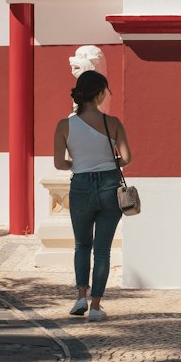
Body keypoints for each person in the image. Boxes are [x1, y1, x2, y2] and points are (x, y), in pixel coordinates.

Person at [53, 70, 132, 322]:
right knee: (103, 250)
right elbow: (127, 159)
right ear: (99, 94)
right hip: (110, 186)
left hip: (81, 187)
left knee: (81, 245)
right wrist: (108, 161)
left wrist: (79, 164)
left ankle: (80, 297)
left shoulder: (64, 125)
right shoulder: (114, 123)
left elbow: (59, 163)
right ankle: (96, 306)